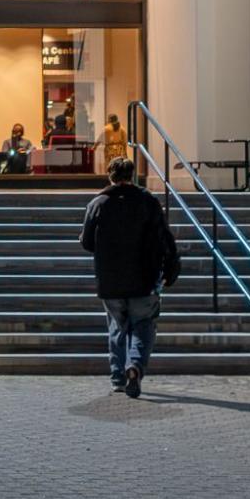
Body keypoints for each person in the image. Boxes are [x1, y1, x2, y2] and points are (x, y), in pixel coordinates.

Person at [79, 157, 181, 399]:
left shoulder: (98, 203)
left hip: (111, 278)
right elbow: (165, 238)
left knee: (116, 326)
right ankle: (134, 366)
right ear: (132, 175)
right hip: (144, 277)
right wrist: (170, 269)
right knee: (143, 326)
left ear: (110, 176)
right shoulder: (149, 202)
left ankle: (118, 378)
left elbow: (87, 241)